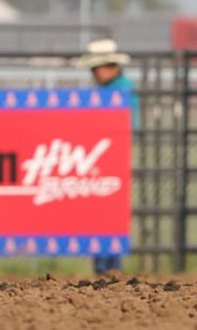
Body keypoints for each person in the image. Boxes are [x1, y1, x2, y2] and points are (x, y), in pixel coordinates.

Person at [75, 38, 139, 275]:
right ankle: (106, 267)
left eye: (96, 68)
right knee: (103, 211)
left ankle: (110, 267)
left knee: (109, 212)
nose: (94, 73)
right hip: (105, 156)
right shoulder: (116, 89)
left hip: (113, 156)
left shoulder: (120, 90)